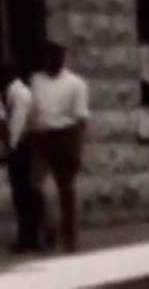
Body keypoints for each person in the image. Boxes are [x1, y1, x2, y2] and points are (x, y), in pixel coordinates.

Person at [28, 42, 89, 253]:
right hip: (41, 136)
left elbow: (81, 119)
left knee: (67, 189)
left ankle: (70, 238)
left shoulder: (76, 84)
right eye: (50, 57)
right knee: (39, 186)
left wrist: (78, 147)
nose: (53, 61)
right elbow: (32, 109)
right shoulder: (36, 80)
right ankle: (49, 230)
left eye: (58, 57)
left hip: (65, 135)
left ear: (63, 58)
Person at [0, 65, 38, 253]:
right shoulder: (13, 93)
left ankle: (29, 238)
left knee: (24, 195)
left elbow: (17, 124)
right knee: (23, 195)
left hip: (22, 149)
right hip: (21, 148)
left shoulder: (20, 94)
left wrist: (10, 150)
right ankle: (29, 237)